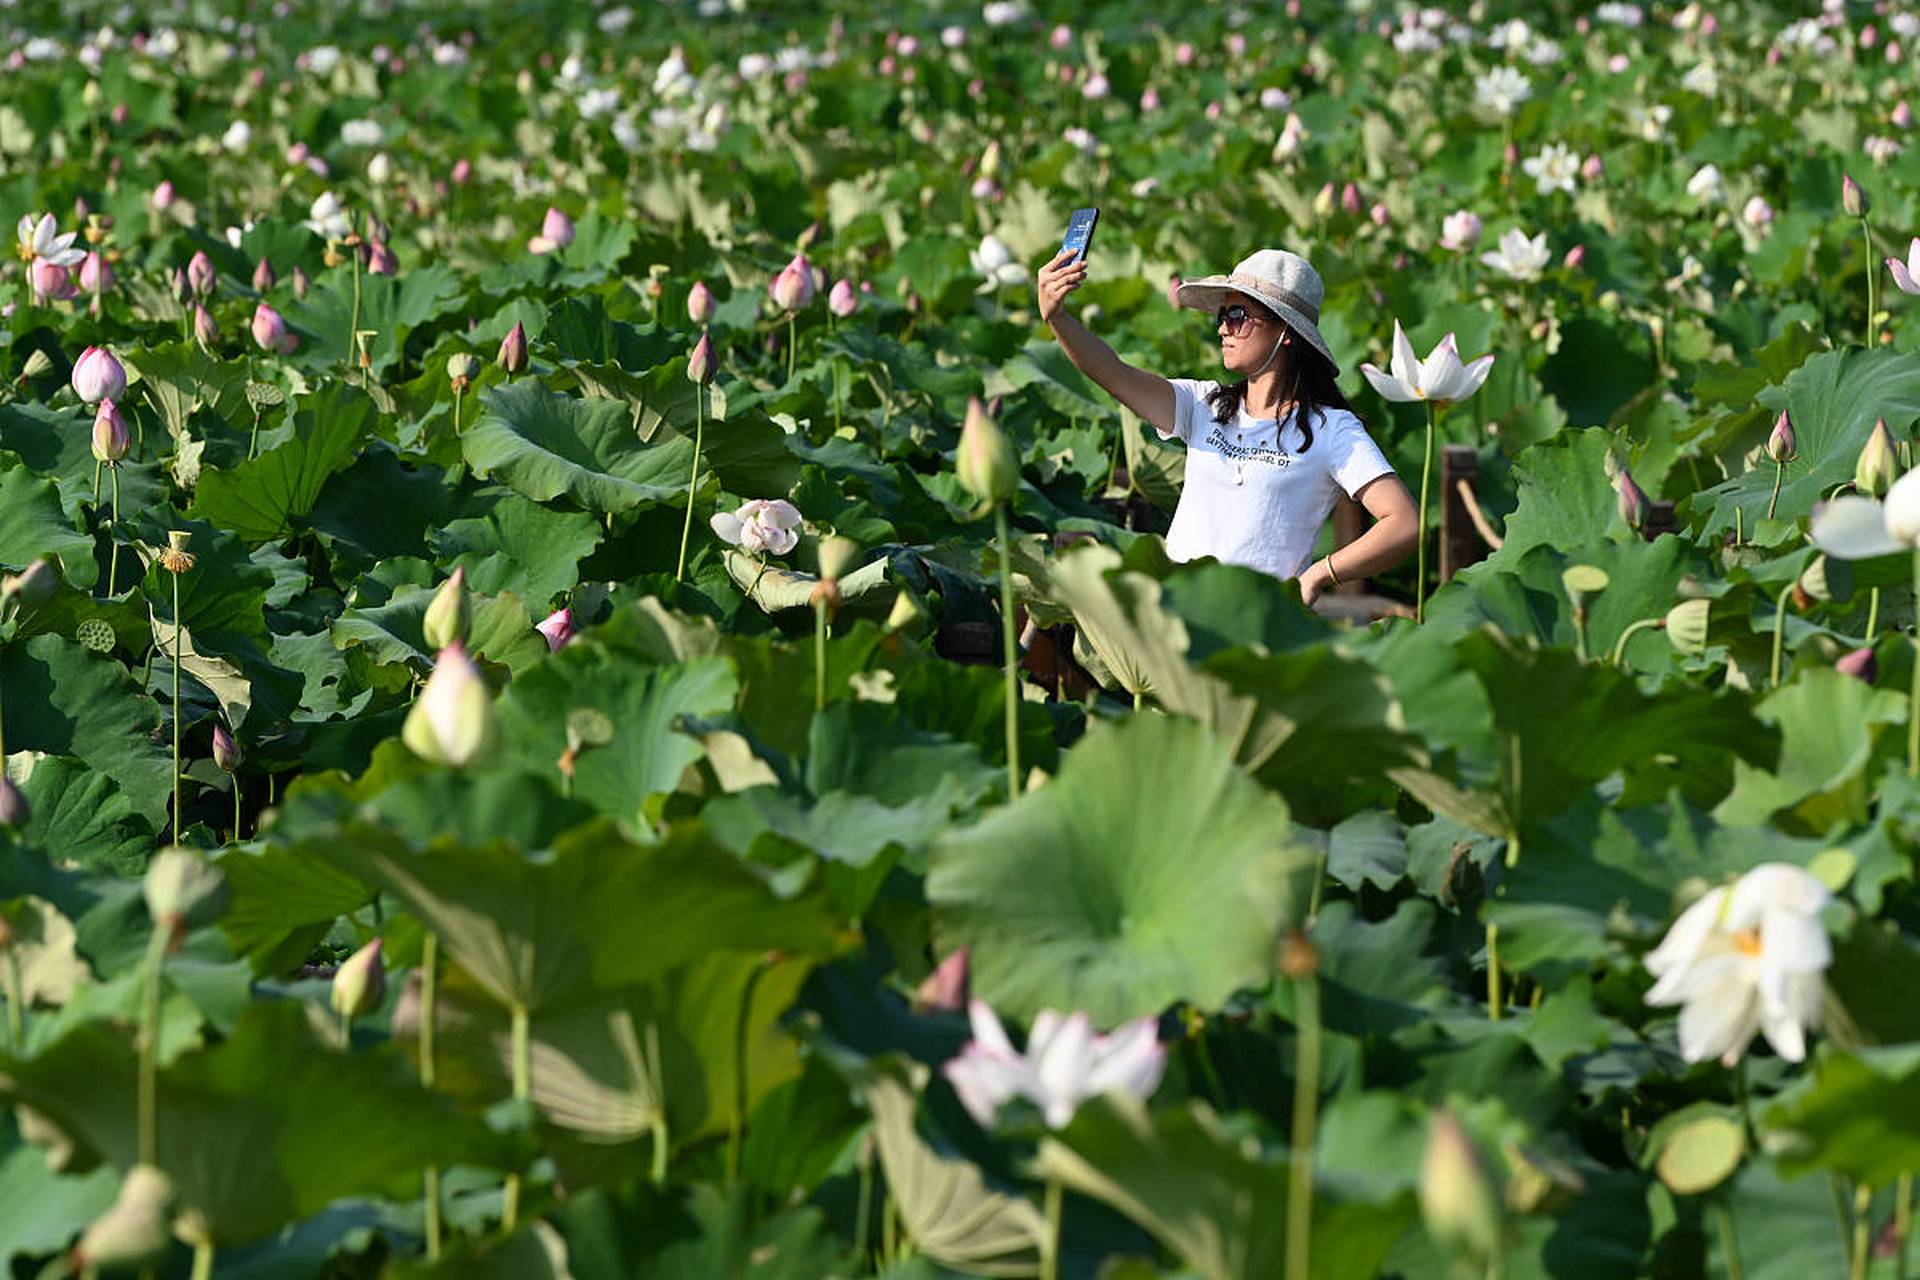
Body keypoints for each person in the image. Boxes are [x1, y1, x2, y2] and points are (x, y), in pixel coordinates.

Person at [1036, 245, 1417, 607]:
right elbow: (1114, 374)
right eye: (1222, 317)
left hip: (1256, 625)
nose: (1222, 329)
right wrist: (1058, 318)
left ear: (1285, 332)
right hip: (1173, 610)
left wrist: (1320, 574)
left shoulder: (1332, 429)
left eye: (1237, 316)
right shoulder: (1203, 404)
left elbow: (1404, 523)